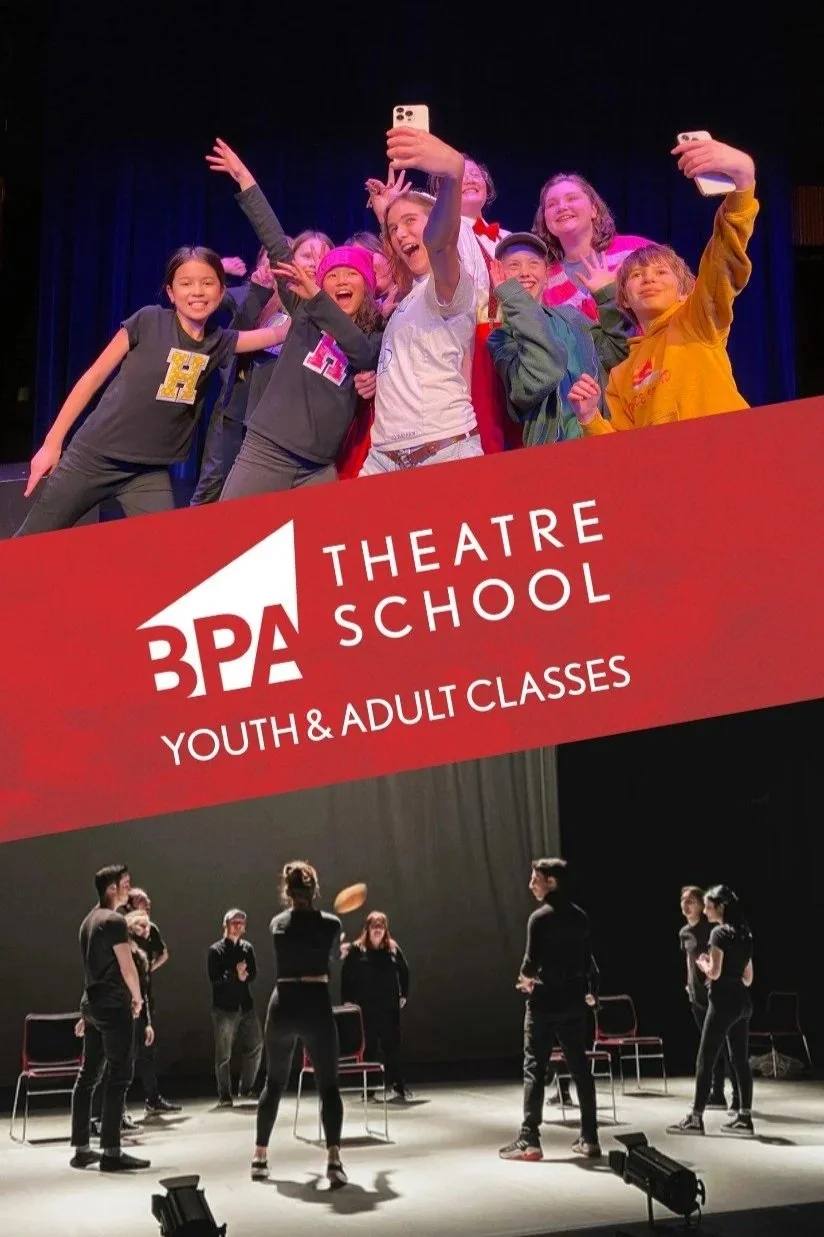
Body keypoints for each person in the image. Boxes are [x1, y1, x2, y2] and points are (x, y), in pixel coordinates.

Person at [14, 251, 287, 536]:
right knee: (28, 544)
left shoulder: (218, 341)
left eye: (207, 283)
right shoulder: (148, 321)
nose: (197, 291)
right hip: (94, 458)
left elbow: (278, 334)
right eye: (186, 284)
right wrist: (52, 443)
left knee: (166, 554)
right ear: (170, 292)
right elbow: (92, 378)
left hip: (147, 473)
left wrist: (309, 295)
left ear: (221, 292)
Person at [205, 138, 383, 496]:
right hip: (266, 453)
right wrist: (244, 179)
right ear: (320, 285)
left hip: (318, 469)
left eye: (352, 275)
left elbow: (362, 353)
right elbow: (274, 242)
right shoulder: (305, 310)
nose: (341, 281)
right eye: (332, 275)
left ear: (368, 286)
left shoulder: (376, 332)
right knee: (228, 540)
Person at [569, 138, 758, 435]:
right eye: (636, 275)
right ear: (625, 300)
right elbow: (622, 455)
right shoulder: (620, 377)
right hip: (668, 476)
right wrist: (589, 416)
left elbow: (723, 258)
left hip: (729, 456)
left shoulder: (697, 320)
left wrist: (743, 183)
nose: (649, 278)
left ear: (686, 289)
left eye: (661, 272)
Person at [359, 127, 483, 475]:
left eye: (410, 222)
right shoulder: (407, 297)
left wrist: (453, 175)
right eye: (394, 229)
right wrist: (389, 214)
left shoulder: (449, 286)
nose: (400, 234)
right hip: (383, 458)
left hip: (441, 453)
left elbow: (440, 243)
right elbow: (404, 247)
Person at [499, 858, 601, 1161]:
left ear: (552, 882)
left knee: (535, 1067)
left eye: (536, 879)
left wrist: (526, 982)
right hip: (573, 1002)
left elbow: (529, 966)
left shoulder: (539, 918)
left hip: (543, 1003)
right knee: (580, 1069)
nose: (531, 884)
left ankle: (529, 1139)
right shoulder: (581, 917)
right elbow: (587, 963)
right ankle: (590, 1137)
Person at [252, 861, 347, 1187]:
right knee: (329, 1087)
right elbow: (324, 950)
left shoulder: (276, 923)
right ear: (314, 889)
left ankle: (260, 1157)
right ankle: (334, 1161)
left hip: (283, 1004)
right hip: (315, 1004)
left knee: (274, 1083)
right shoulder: (332, 924)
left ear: (287, 891)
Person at [486, 232, 629, 445]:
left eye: (534, 264)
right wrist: (514, 298)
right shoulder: (500, 339)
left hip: (602, 437)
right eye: (513, 266)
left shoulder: (572, 316)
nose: (525, 273)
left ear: (546, 274)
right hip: (552, 453)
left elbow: (617, 354)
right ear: (498, 277)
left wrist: (607, 297)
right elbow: (543, 375)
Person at [190, 247, 290, 505]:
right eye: (266, 260)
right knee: (213, 482)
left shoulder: (299, 305)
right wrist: (217, 268)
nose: (272, 266)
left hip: (269, 413)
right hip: (233, 405)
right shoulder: (248, 294)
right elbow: (202, 299)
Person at [69, 865, 150, 1173]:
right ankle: (111, 1153)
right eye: (126, 884)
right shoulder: (113, 921)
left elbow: (90, 969)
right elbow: (127, 966)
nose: (129, 889)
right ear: (112, 889)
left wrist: (85, 1011)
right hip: (113, 1004)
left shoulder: (88, 922)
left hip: (92, 1002)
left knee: (88, 1075)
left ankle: (81, 1148)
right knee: (119, 1074)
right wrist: (137, 997)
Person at [668, 885, 755, 1137]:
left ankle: (695, 1117)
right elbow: (748, 978)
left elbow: (715, 973)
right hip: (742, 1001)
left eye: (708, 906)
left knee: (705, 1058)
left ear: (721, 907)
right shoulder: (745, 934)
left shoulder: (718, 933)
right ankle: (744, 1118)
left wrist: (706, 966)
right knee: (740, 1059)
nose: (705, 911)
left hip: (723, 1001)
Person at [533, 171, 650, 320]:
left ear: (594, 209)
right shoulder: (546, 280)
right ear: (544, 219)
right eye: (551, 204)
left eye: (572, 198)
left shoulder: (634, 250)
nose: (561, 207)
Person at [679, 885, 739, 1112]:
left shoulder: (712, 928)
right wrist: (688, 985)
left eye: (691, 901)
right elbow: (689, 959)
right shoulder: (684, 932)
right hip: (696, 996)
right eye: (683, 901)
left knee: (725, 1045)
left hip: (715, 994)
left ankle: (737, 1096)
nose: (686, 906)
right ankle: (716, 1093)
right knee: (709, 1047)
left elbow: (720, 957)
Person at [341, 910, 412, 1102]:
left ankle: (398, 1086)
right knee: (369, 1049)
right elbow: (346, 974)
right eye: (374, 926)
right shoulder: (357, 950)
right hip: (367, 1009)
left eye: (381, 926)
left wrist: (403, 994)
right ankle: (369, 1089)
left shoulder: (392, 948)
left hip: (389, 1008)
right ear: (368, 929)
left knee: (393, 1047)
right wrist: (347, 999)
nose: (378, 930)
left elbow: (404, 970)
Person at [207, 909, 264, 1107]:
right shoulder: (216, 950)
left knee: (256, 1045)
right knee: (224, 1054)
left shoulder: (247, 948)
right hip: (224, 1009)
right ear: (226, 925)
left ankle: (246, 1088)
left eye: (241, 923)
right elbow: (215, 979)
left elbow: (254, 973)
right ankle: (224, 1094)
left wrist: (245, 976)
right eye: (234, 922)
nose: (237, 926)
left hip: (245, 1006)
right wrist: (235, 974)